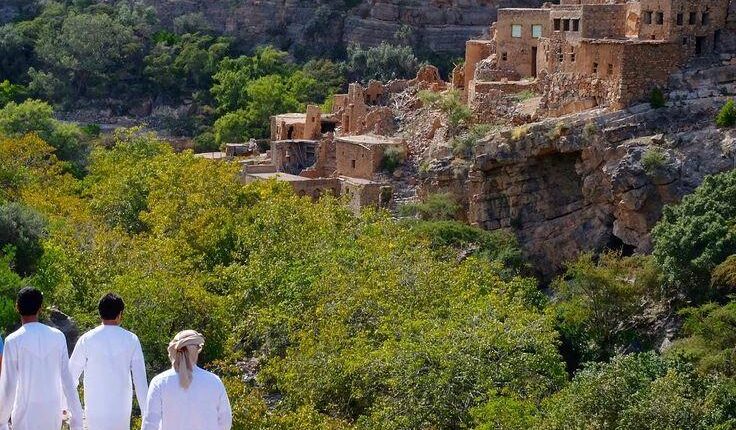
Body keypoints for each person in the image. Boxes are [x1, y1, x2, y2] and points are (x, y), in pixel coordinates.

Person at [0, 286, 83, 430]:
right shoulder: (58, 337)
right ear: (41, 308)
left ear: (17, 307)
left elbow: (9, 385)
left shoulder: (12, 341)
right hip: (52, 414)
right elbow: (67, 381)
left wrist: (2, 421)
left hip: (24, 416)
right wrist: (77, 419)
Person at [69, 293, 148, 430]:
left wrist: (64, 406)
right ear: (119, 314)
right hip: (121, 408)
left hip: (95, 407)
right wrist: (147, 415)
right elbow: (140, 381)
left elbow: (71, 375)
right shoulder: (131, 339)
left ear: (100, 313)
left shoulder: (87, 339)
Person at [142, 330, 232, 430]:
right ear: (197, 350)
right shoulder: (214, 381)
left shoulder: (159, 382)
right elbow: (225, 422)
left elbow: (150, 424)